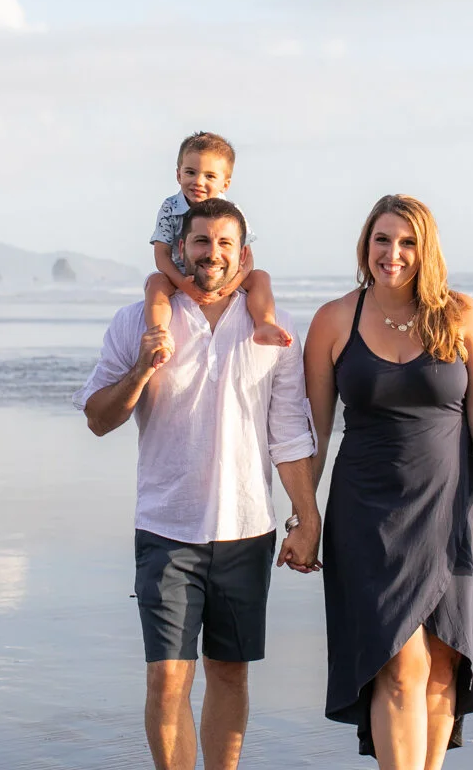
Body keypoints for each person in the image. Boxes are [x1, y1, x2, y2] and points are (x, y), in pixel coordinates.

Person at [73, 197, 321, 770]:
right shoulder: (137, 322)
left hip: (247, 529)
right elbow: (97, 418)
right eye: (202, 242)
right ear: (180, 248)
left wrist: (306, 519)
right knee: (167, 681)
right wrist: (141, 370)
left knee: (229, 675)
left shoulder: (275, 332)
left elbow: (288, 436)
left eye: (225, 244)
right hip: (166, 530)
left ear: (243, 253)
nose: (213, 254)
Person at [303, 194, 473, 769]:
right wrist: (305, 516)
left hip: (453, 508)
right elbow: (314, 435)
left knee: (443, 663)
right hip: (367, 513)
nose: (392, 253)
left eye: (406, 242)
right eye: (381, 239)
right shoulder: (332, 320)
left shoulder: (461, 314)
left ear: (426, 250)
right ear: (365, 244)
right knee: (398, 663)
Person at [143, 131, 291, 367]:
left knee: (260, 277)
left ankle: (263, 324)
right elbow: (161, 255)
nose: (198, 182)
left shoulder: (231, 210)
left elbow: (247, 259)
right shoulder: (170, 207)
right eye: (190, 172)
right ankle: (158, 336)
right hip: (180, 273)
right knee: (155, 283)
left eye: (210, 176)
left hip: (223, 275)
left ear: (225, 183)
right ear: (178, 174)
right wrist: (182, 284)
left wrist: (230, 287)